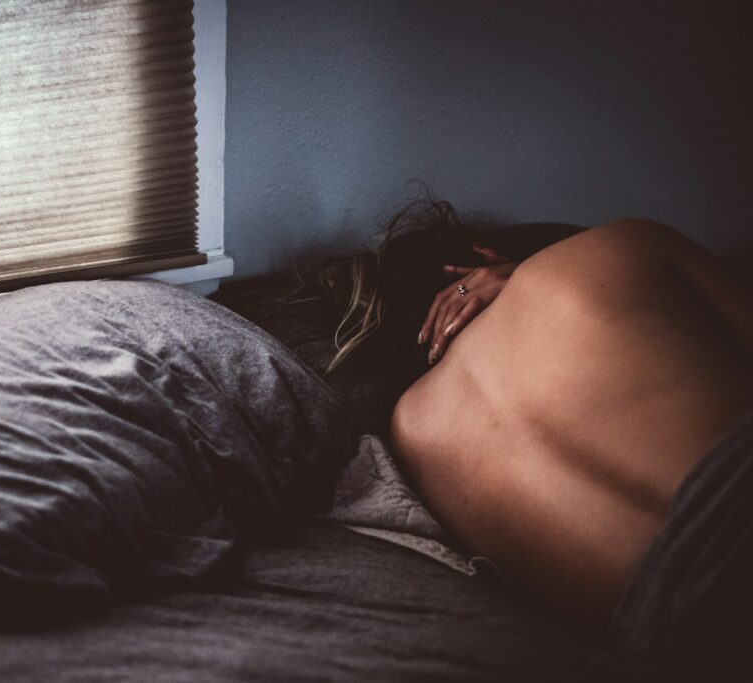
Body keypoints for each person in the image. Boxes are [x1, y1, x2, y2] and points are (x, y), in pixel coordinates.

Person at [320, 198, 753, 680]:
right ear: (485, 254)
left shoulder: (410, 428)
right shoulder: (614, 246)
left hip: (680, 638)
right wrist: (529, 266)